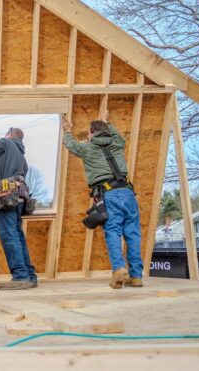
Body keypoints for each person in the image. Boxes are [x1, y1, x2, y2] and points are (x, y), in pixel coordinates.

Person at [61, 110, 143, 289]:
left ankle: (119, 269)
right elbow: (117, 135)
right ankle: (136, 276)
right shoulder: (117, 143)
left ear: (90, 133)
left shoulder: (87, 148)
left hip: (109, 194)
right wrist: (106, 122)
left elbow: (70, 144)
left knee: (113, 231)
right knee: (132, 233)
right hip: (128, 194)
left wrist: (67, 130)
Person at [0, 127, 38, 290]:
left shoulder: (5, 142)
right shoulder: (22, 158)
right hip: (20, 196)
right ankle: (29, 276)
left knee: (9, 234)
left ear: (9, 135)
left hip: (7, 195)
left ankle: (20, 276)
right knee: (17, 235)